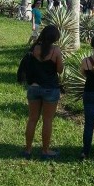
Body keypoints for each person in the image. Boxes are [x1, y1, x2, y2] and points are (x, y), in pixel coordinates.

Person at [23, 25, 64, 159]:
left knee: (32, 119)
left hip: (34, 87)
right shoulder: (55, 51)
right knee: (47, 120)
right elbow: (60, 70)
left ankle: (28, 149)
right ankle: (45, 151)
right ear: (55, 38)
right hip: (50, 88)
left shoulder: (34, 47)